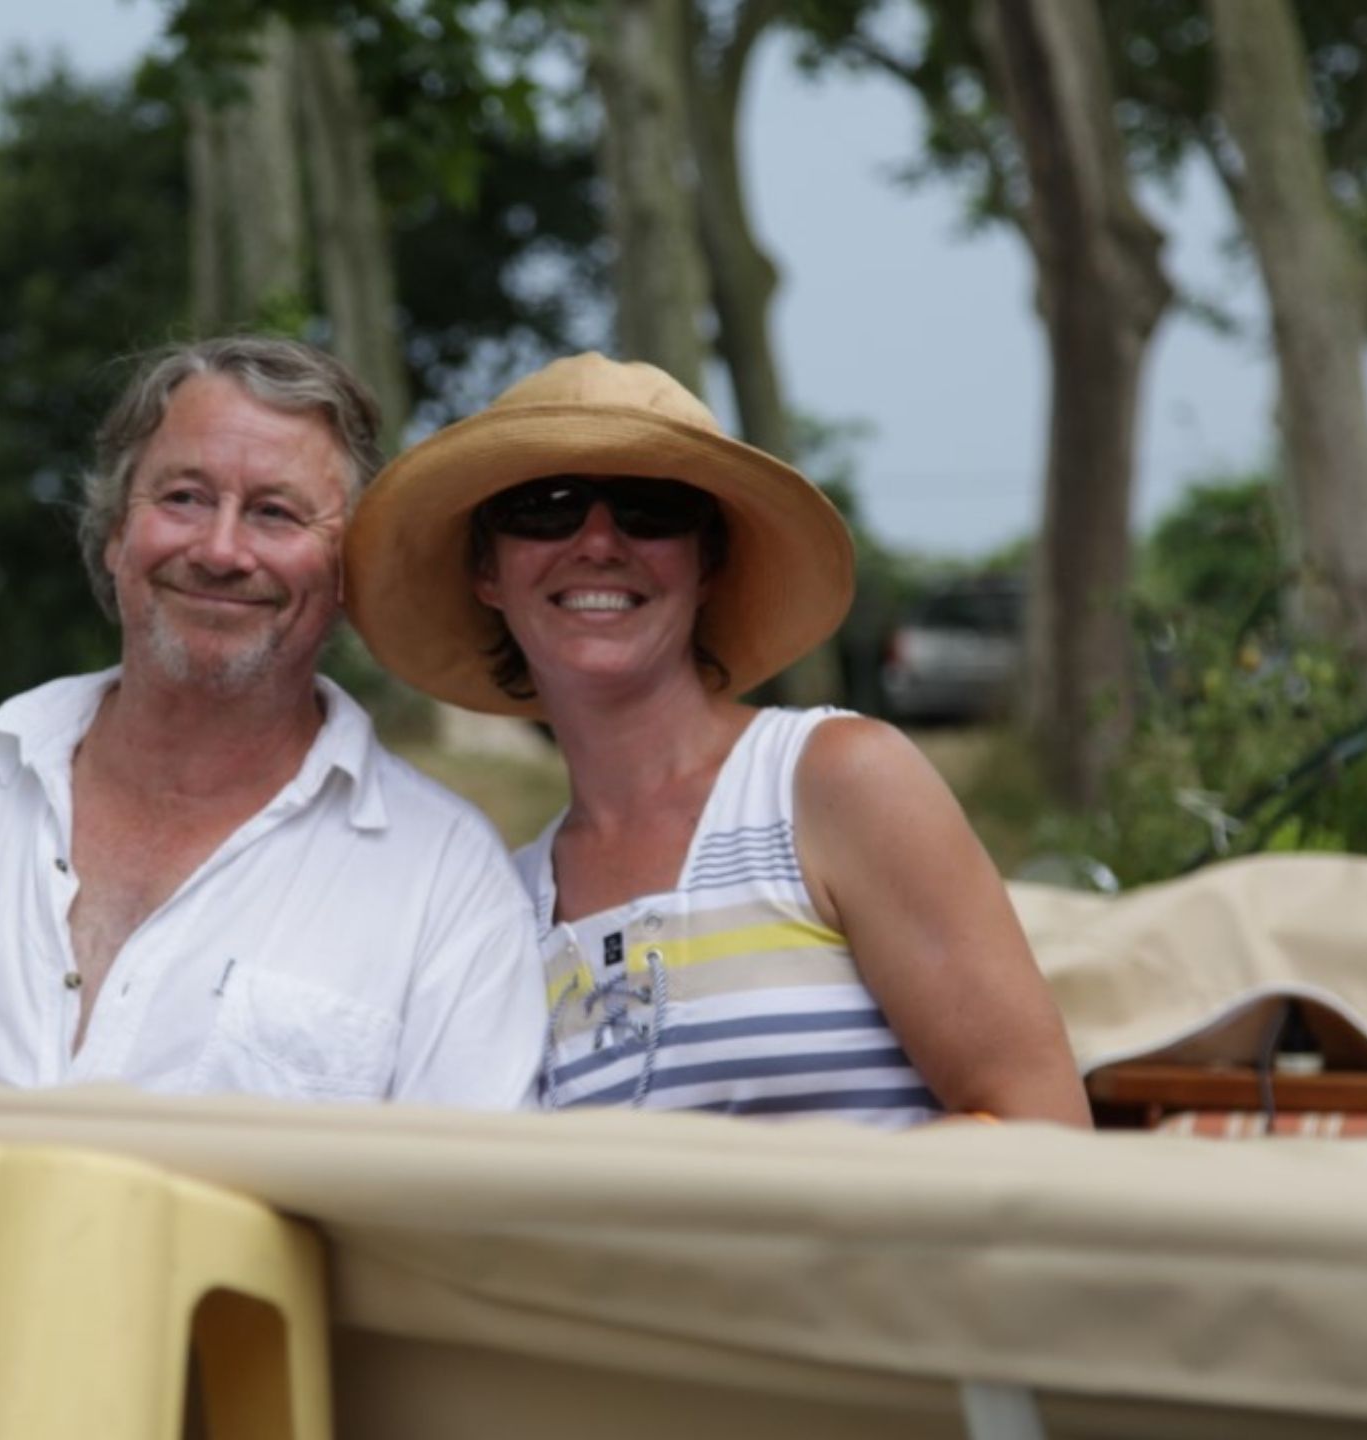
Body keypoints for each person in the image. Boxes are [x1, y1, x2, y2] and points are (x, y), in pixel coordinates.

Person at [0, 337, 545, 1107]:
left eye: (275, 513)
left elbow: (449, 1227)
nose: (220, 548)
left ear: (348, 573)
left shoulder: (445, 880)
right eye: (183, 498)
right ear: (114, 533)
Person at [343, 353, 1089, 1125]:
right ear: (487, 571)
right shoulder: (506, 903)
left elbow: (1043, 1126)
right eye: (546, 506)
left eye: (651, 505)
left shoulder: (834, 783)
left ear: (709, 562)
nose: (598, 541)